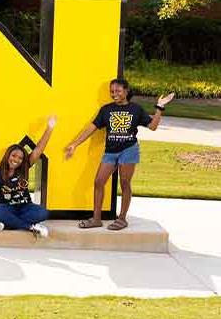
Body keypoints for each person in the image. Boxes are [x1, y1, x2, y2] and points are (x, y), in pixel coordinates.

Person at [65, 78, 174, 231]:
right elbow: (91, 128)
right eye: (112, 91)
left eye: (117, 91)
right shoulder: (106, 110)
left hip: (129, 150)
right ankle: (96, 219)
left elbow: (153, 126)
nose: (114, 94)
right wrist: (74, 144)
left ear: (126, 91)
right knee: (99, 182)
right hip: (110, 151)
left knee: (124, 183)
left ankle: (122, 219)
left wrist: (159, 107)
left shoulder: (135, 109)